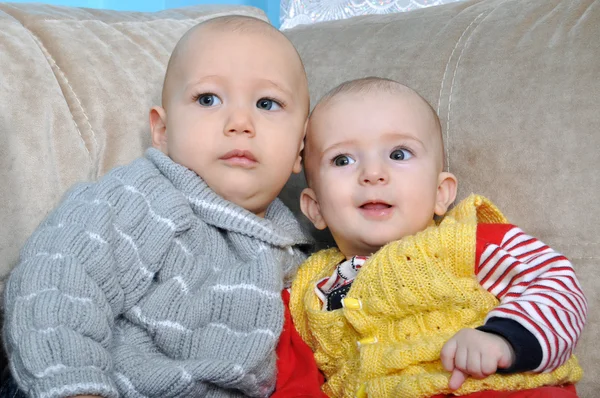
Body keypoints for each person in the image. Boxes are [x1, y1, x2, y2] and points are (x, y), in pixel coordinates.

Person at [2, 15, 325, 398]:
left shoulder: (296, 249)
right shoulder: (145, 197)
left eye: (267, 103)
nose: (240, 122)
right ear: (163, 133)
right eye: (208, 99)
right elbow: (58, 277)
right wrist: (75, 386)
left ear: (299, 152)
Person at [289, 77, 587, 398]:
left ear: (440, 193)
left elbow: (554, 280)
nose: (373, 173)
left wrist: (504, 338)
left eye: (399, 154)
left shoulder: (465, 242)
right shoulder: (308, 286)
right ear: (315, 207)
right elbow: (294, 373)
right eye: (343, 160)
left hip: (489, 387)